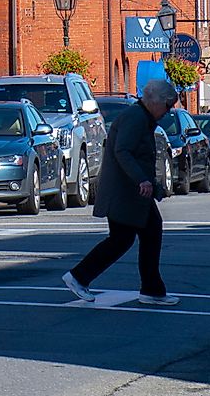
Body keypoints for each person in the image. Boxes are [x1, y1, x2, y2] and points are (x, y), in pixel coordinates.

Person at [64, 77, 179, 307]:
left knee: (146, 235)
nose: (168, 111)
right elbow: (123, 151)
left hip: (133, 194)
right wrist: (142, 181)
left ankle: (152, 289)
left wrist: (151, 185)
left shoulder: (140, 118)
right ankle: (79, 276)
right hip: (125, 193)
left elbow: (134, 155)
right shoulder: (136, 118)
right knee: (123, 239)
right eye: (168, 106)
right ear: (156, 102)